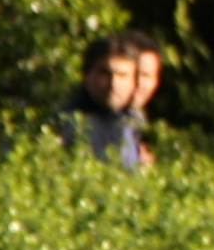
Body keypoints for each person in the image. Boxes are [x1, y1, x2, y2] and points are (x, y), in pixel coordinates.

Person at [56, 34, 151, 171]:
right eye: (104, 73)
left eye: (122, 75)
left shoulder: (134, 121)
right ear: (87, 76)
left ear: (134, 81)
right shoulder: (69, 121)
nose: (114, 83)